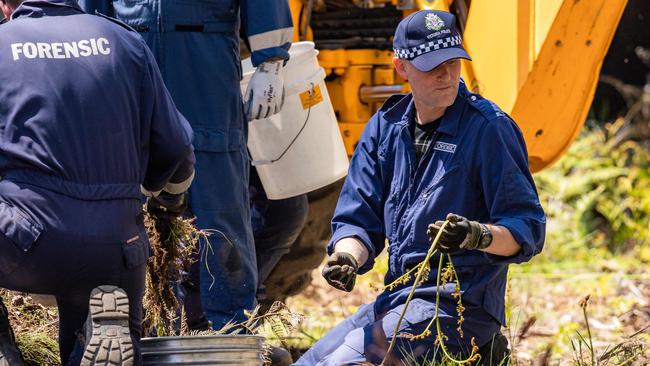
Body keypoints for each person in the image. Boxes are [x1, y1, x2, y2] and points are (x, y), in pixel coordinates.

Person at [295, 10, 546, 366]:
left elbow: (527, 228)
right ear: (401, 67)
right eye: (432, 66)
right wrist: (347, 257)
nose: (446, 75)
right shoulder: (386, 126)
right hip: (397, 300)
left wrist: (477, 235)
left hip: (460, 310)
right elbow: (358, 219)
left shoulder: (489, 129)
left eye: (454, 62)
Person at [78, 0, 295, 332]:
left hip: (205, 68)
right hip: (131, 63)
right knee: (128, 210)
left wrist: (272, 62)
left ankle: (232, 327)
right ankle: (139, 329)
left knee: (221, 207)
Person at [0, 1, 195, 365]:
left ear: (6, 4)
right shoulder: (124, 41)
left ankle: (4, 350)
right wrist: (167, 197)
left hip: (23, 239)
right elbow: (177, 147)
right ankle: (91, 333)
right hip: (116, 245)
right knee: (96, 298)